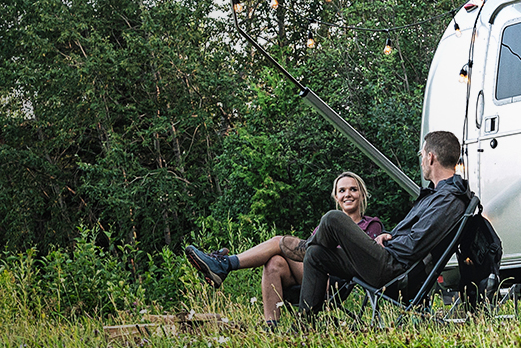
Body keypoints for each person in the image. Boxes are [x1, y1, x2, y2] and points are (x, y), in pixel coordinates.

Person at [294, 131, 470, 319]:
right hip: (392, 262)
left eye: (422, 155)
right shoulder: (438, 195)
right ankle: (305, 322)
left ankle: (302, 247)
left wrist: (390, 244)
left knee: (333, 218)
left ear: (431, 157)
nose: (421, 162)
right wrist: (391, 236)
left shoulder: (448, 199)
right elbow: (420, 236)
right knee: (316, 254)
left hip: (396, 271)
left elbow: (414, 246)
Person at [184, 171, 383, 326]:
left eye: (353, 189)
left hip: (335, 280)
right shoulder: (325, 225)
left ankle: (224, 264)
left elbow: (369, 257)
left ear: (362, 194)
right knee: (274, 262)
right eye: (342, 190)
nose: (347, 194)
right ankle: (271, 327)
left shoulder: (371, 225)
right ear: (336, 197)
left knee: (280, 241)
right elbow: (308, 252)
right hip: (311, 272)